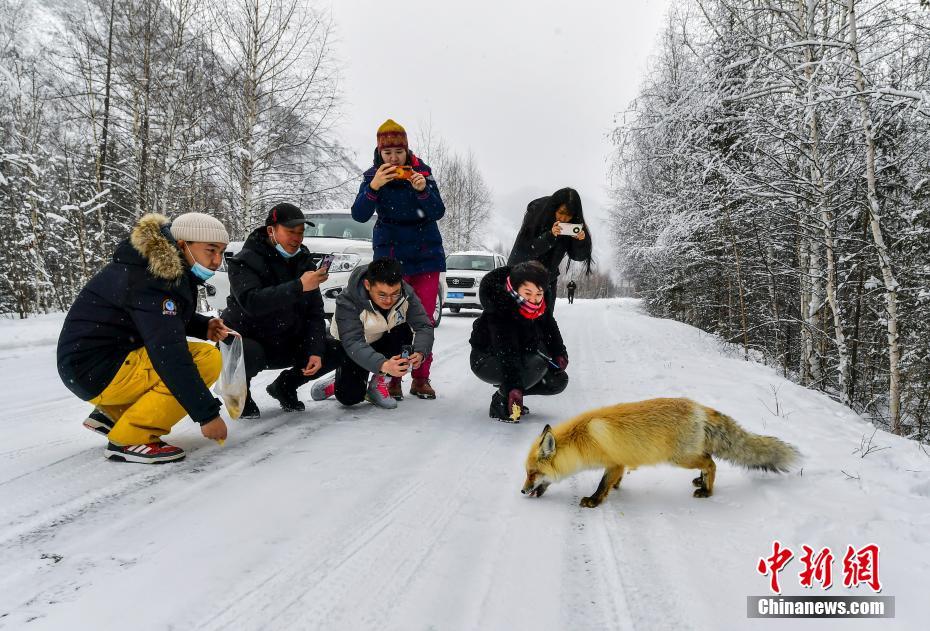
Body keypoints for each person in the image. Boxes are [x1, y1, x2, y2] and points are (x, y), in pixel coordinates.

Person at [57, 212, 232, 463]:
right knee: (205, 359)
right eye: (210, 250)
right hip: (97, 370)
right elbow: (169, 354)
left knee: (186, 354)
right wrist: (207, 415)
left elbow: (156, 318)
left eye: (221, 252)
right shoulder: (152, 279)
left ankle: (113, 415)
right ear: (183, 245)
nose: (216, 261)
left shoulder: (151, 267)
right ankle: (131, 437)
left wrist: (203, 326)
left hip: (88, 366)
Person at [351, 118, 445, 400]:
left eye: (398, 152)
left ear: (407, 151)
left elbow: (438, 211)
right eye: (387, 153)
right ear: (380, 152)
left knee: (423, 319)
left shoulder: (423, 173)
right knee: (392, 318)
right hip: (390, 256)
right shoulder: (372, 176)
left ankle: (421, 378)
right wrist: (374, 187)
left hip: (425, 255)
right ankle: (393, 376)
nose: (393, 158)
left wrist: (423, 191)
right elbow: (359, 215)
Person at [221, 202, 338, 417]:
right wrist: (299, 286)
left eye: (301, 233)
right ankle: (240, 394)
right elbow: (252, 302)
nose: (296, 238)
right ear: (271, 231)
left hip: (286, 339)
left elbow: (315, 312)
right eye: (290, 231)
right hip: (252, 339)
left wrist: (314, 350)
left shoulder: (304, 261)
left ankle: (284, 387)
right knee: (247, 352)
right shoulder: (244, 261)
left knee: (334, 348)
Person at [312, 258, 434, 410]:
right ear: (368, 285)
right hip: (350, 348)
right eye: (382, 294)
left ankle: (378, 382)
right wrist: (383, 364)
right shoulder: (348, 300)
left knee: (403, 331)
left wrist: (420, 352)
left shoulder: (406, 294)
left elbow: (424, 326)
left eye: (395, 293)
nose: (389, 300)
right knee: (350, 398)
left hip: (380, 339)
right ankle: (338, 381)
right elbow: (353, 342)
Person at [469, 261, 569, 422]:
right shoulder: (501, 308)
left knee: (557, 380)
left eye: (539, 294)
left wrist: (559, 353)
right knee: (538, 364)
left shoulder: (540, 306)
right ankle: (502, 399)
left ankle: (510, 391)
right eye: (527, 293)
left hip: (518, 354)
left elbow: (549, 327)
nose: (534, 300)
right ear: (515, 289)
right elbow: (506, 351)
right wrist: (513, 387)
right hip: (487, 359)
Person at [507, 187, 593, 312]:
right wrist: (550, 236)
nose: (563, 219)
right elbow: (529, 248)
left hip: (547, 280)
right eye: (561, 212)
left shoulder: (574, 224)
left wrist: (580, 241)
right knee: (517, 321)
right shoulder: (537, 214)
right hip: (521, 276)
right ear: (554, 208)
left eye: (568, 215)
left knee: (544, 323)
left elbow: (578, 256)